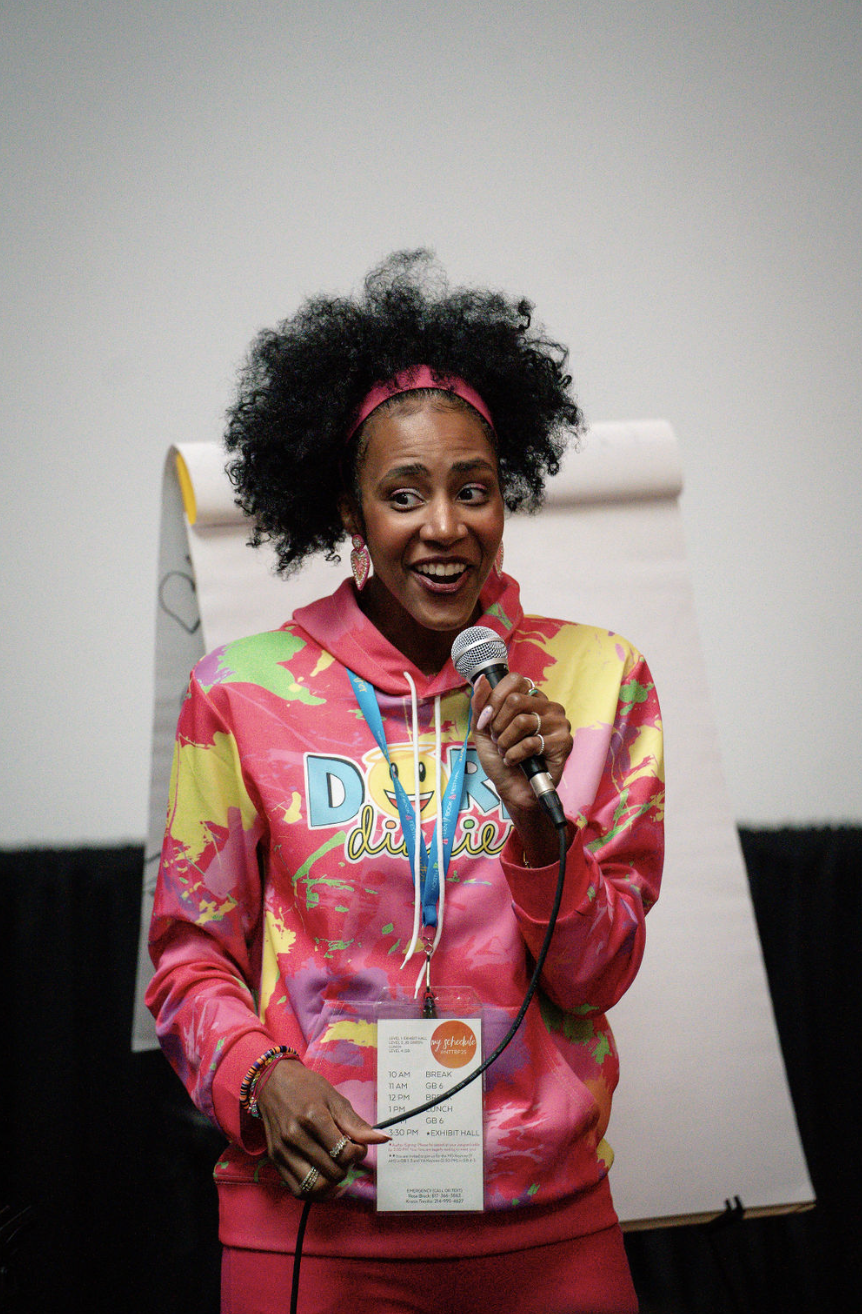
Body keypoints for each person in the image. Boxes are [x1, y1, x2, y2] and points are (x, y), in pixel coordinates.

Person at [146, 251, 664, 1314]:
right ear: (350, 509)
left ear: (505, 496)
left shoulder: (599, 678)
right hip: (313, 1228)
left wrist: (536, 828)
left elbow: (597, 975)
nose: (443, 526)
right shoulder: (241, 694)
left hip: (549, 1229)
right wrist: (258, 1075)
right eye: (403, 494)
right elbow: (189, 959)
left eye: (473, 490)